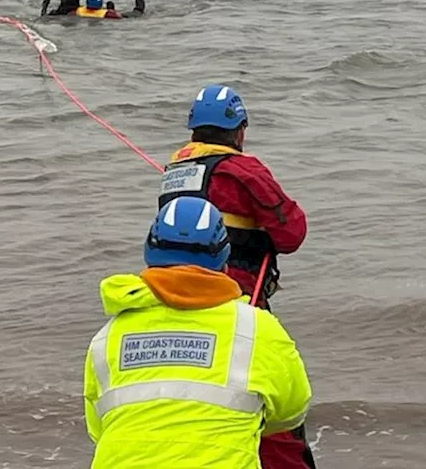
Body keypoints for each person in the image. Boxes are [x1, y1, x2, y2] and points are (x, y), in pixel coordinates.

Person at [83, 196, 312, 468]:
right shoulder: (258, 328)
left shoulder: (107, 337)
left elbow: (98, 429)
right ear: (224, 261)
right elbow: (292, 411)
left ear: (149, 256)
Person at [158, 84, 315, 469]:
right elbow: (292, 233)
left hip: (170, 296)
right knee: (269, 395)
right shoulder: (243, 170)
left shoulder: (174, 170)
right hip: (237, 295)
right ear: (239, 129)